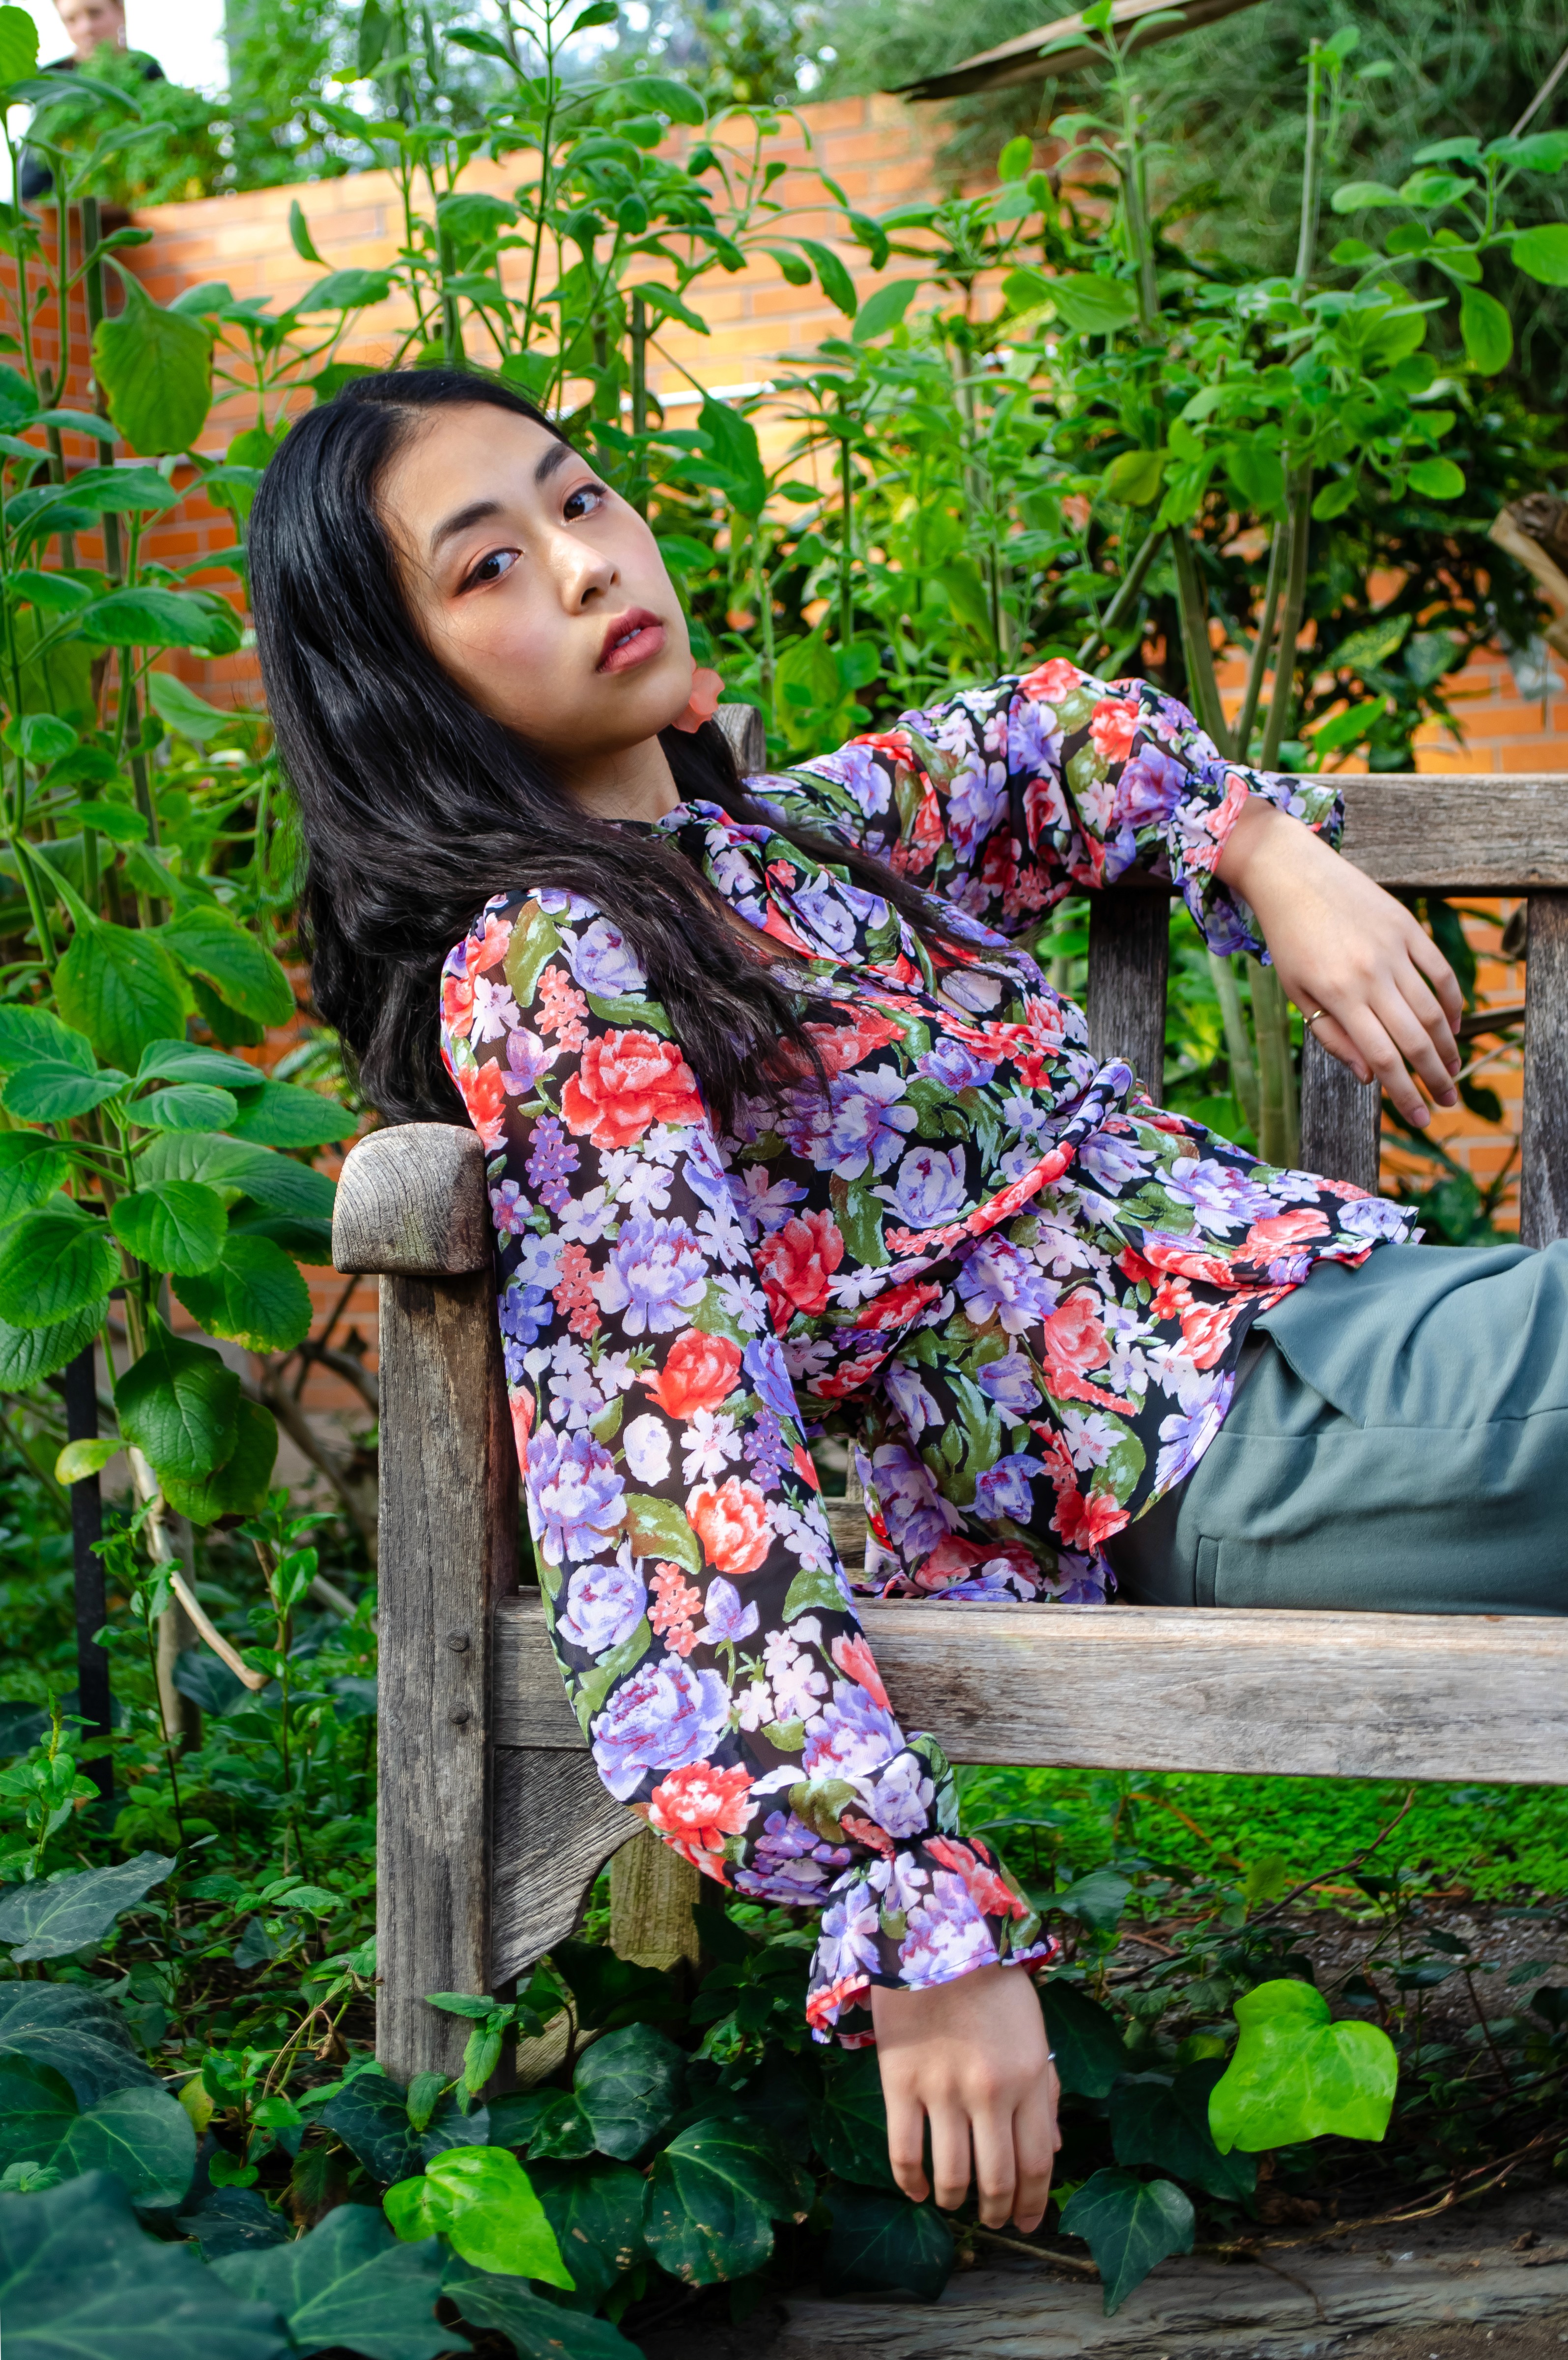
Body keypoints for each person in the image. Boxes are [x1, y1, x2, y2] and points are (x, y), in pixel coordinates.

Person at [249, 368, 1568, 2243]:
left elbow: (1050, 736)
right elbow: (671, 1454)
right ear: (399, 678)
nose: (585, 560)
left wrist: (1265, 850)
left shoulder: (783, 848)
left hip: (1344, 1342)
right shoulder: (554, 965)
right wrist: (909, 1911)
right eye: (489, 565)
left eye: (580, 497)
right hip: (1244, 1429)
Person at [18, 0, 164, 204]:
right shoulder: (53, 79)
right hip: (72, 212)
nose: (86, 28)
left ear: (120, 11)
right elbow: (34, 178)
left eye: (95, 13)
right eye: (71, 20)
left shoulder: (146, 70)